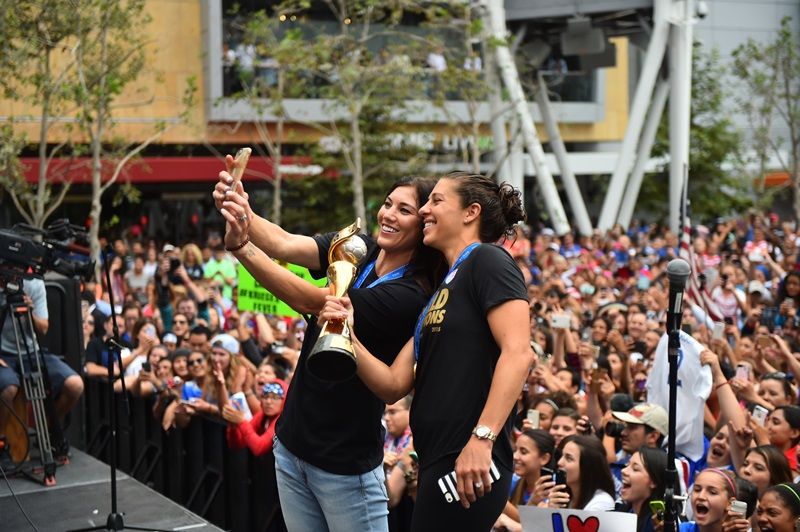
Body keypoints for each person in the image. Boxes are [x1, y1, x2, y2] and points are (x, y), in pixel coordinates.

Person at [215, 164, 444, 532]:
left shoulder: (410, 293)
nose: (388, 215)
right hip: (292, 446)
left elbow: (314, 301)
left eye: (404, 210)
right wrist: (239, 205)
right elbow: (285, 243)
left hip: (344, 464)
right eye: (388, 204)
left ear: (424, 225)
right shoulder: (359, 249)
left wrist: (242, 247)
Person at [321, 172, 533, 530]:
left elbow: (519, 353)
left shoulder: (488, 260)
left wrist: (482, 440)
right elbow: (391, 384)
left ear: (471, 213)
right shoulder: (442, 288)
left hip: (469, 459)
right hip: (437, 459)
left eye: (436, 201)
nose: (423, 211)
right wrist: (345, 330)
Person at [0, 277, 84, 457]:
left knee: (75, 385)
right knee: (8, 389)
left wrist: (29, 311)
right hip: (3, 354)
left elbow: (43, 328)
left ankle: (46, 430)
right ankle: (2, 441)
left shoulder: (35, 284)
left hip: (32, 352)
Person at [493, 429, 555, 531]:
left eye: (523, 452)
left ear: (544, 458)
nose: (515, 456)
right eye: (515, 450)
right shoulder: (513, 481)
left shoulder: (554, 491)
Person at [547, 434, 615, 511]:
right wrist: (552, 510)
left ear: (587, 466)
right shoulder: (564, 497)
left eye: (569, 458)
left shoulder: (601, 502)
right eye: (562, 456)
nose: (559, 462)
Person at [223, 378, 287, 456]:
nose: (268, 402)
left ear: (284, 400)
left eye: (275, 397)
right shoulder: (262, 415)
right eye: (265, 396)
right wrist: (233, 426)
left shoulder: (282, 420)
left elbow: (259, 448)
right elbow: (237, 444)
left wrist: (241, 422)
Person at [619, 447, 673, 532]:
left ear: (654, 481)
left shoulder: (657, 524)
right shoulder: (621, 512)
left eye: (635, 469)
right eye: (627, 465)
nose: (623, 471)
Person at [679, 468, 749, 532]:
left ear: (730, 503)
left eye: (712, 492)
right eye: (697, 490)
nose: (701, 496)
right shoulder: (680, 529)